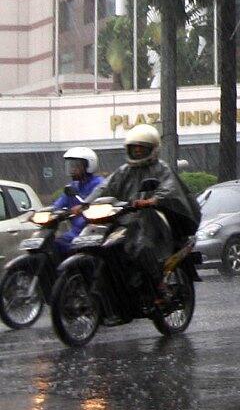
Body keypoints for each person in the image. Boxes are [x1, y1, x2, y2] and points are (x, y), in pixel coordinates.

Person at [88, 124, 200, 296]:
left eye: (142, 148)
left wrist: (153, 200)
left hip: (153, 218)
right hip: (124, 218)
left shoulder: (161, 168)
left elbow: (169, 188)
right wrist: (87, 203)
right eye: (135, 148)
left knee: (142, 246)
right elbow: (104, 188)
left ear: (152, 149)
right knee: (100, 242)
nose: (138, 151)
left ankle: (157, 284)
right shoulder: (124, 171)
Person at [52, 147, 104, 256]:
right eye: (70, 166)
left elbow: (101, 199)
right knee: (55, 244)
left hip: (94, 230)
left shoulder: (99, 184)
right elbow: (58, 205)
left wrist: (83, 207)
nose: (72, 169)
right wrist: (46, 213)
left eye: (76, 166)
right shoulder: (72, 187)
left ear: (88, 166)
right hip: (75, 232)